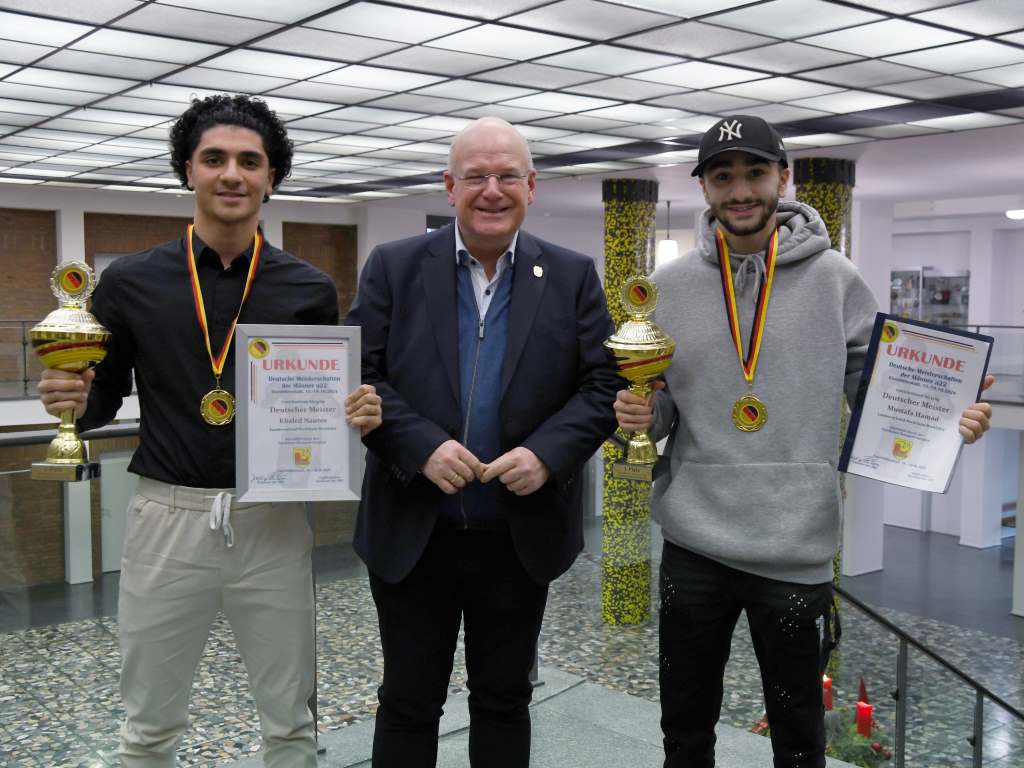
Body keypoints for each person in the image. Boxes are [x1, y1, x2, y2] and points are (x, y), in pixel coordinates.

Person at [612, 115, 994, 768]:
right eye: (723, 176)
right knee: (684, 725)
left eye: (755, 173)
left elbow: (877, 390)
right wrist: (644, 413)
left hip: (795, 545)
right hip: (694, 542)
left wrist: (944, 424)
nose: (740, 191)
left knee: (798, 735)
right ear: (703, 186)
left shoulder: (836, 279)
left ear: (783, 178)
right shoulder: (669, 289)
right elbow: (668, 403)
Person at [37, 94, 382, 768]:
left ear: (270, 178)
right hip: (168, 517)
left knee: (289, 724)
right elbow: (104, 399)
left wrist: (356, 412)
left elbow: (317, 400)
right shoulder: (130, 284)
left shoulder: (307, 288)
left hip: (273, 520)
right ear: (187, 172)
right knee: (148, 725)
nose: (232, 174)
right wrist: (69, 398)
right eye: (214, 159)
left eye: (249, 162)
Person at [345, 116, 620, 768]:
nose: (490, 190)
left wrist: (547, 453)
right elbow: (360, 370)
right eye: (475, 177)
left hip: (516, 539)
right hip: (415, 534)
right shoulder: (394, 267)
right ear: (449, 187)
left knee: (503, 701)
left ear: (531, 186)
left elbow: (605, 384)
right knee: (409, 703)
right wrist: (419, 446)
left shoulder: (574, 275)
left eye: (506, 176)